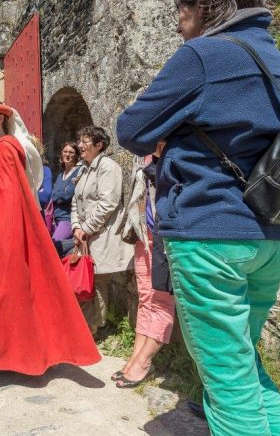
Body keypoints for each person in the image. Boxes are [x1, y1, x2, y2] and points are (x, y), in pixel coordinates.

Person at [116, 0, 280, 435]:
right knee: (246, 371)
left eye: (182, 17)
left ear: (202, 6)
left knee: (227, 386)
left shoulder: (203, 54)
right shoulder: (273, 58)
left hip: (210, 235)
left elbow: (132, 130)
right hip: (271, 233)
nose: (181, 31)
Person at [0, 101, 101, 375]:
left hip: (1, 229)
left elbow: (9, 189)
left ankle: (7, 353)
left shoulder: (6, 148)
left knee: (5, 290)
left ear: (1, 119)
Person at [113, 148, 176, 388]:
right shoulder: (142, 155)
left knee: (161, 299)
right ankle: (136, 356)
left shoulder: (171, 149)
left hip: (163, 234)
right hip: (143, 233)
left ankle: (144, 361)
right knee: (145, 297)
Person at [71, 125, 134, 335]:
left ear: (99, 145)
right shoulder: (83, 169)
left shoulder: (108, 167)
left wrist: (86, 228)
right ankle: (86, 327)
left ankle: (93, 328)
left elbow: (109, 202)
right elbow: (75, 201)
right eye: (79, 141)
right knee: (87, 281)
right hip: (86, 236)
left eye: (85, 141)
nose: (80, 145)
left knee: (97, 281)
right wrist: (77, 226)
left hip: (101, 235)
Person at [50, 141, 80, 258]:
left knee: (53, 246)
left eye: (71, 152)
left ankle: (80, 241)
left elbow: (68, 194)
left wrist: (58, 196)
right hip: (56, 220)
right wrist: (58, 196)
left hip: (67, 219)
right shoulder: (60, 175)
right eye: (65, 152)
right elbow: (54, 195)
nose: (67, 155)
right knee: (58, 250)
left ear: (76, 155)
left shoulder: (78, 172)